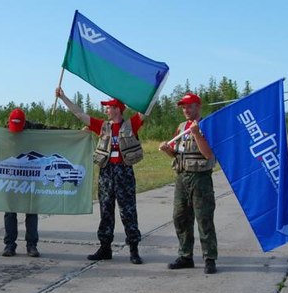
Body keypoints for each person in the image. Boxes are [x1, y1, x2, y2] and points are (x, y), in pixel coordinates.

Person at [55, 87, 145, 264]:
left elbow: (145, 110)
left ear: (117, 109)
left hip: (124, 172)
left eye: (109, 107)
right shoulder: (102, 126)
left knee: (128, 212)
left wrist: (152, 90)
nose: (106, 110)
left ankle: (134, 249)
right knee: (106, 211)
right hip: (106, 172)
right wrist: (63, 97)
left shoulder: (131, 124)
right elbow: (80, 114)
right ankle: (105, 248)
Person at [159, 92, 218, 274]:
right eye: (183, 107)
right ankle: (185, 255)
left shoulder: (207, 125)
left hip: (200, 179)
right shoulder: (181, 127)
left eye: (189, 106)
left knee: (204, 219)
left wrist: (197, 134)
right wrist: (166, 150)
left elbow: (209, 155)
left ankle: (209, 258)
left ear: (198, 106)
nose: (185, 110)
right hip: (182, 178)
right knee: (180, 218)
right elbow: (177, 154)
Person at [1, 108, 57, 258]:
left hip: (32, 175)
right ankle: (9, 245)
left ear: (25, 123)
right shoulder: (2, 131)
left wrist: (77, 133)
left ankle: (31, 245)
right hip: (11, 177)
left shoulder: (36, 129)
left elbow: (56, 133)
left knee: (31, 210)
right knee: (10, 211)